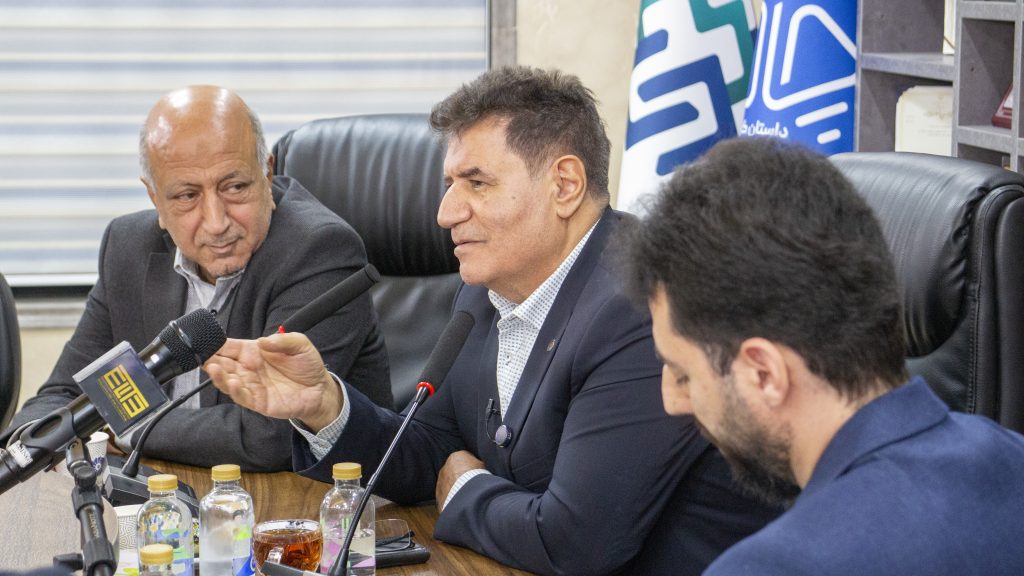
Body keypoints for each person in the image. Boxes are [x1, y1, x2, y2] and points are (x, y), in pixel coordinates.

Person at [205, 66, 779, 575]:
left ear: (565, 185)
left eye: (477, 183)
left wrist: (465, 488)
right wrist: (324, 405)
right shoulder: (484, 290)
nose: (445, 213)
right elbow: (428, 448)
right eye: (449, 185)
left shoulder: (640, 306)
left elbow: (574, 542)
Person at [626, 137, 1024, 575]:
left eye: (683, 373)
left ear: (764, 373)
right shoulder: (1014, 459)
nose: (673, 402)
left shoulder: (773, 567)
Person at [5, 86, 392, 471]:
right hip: (163, 491)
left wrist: (120, 427)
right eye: (187, 196)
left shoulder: (320, 250)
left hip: (301, 499)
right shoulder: (127, 247)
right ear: (155, 199)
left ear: (267, 173)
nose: (217, 222)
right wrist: (33, 442)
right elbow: (62, 396)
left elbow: (271, 436)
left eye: (235, 187)